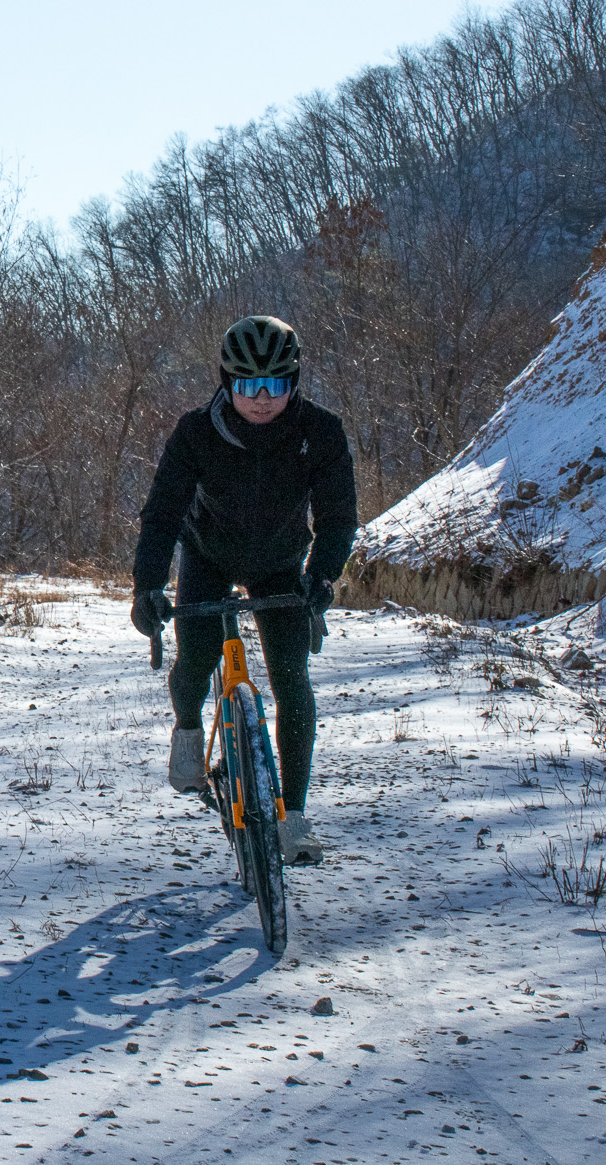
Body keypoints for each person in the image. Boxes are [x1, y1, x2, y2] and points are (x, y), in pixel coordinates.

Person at [129, 315, 357, 865]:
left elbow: (338, 517)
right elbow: (162, 515)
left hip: (281, 564)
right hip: (208, 556)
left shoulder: (320, 432)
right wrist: (148, 586)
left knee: (291, 677)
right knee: (197, 656)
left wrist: (323, 576)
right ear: (226, 381)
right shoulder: (196, 432)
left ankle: (293, 818)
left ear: (293, 381)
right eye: (247, 384)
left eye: (275, 384)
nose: (261, 398)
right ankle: (188, 728)